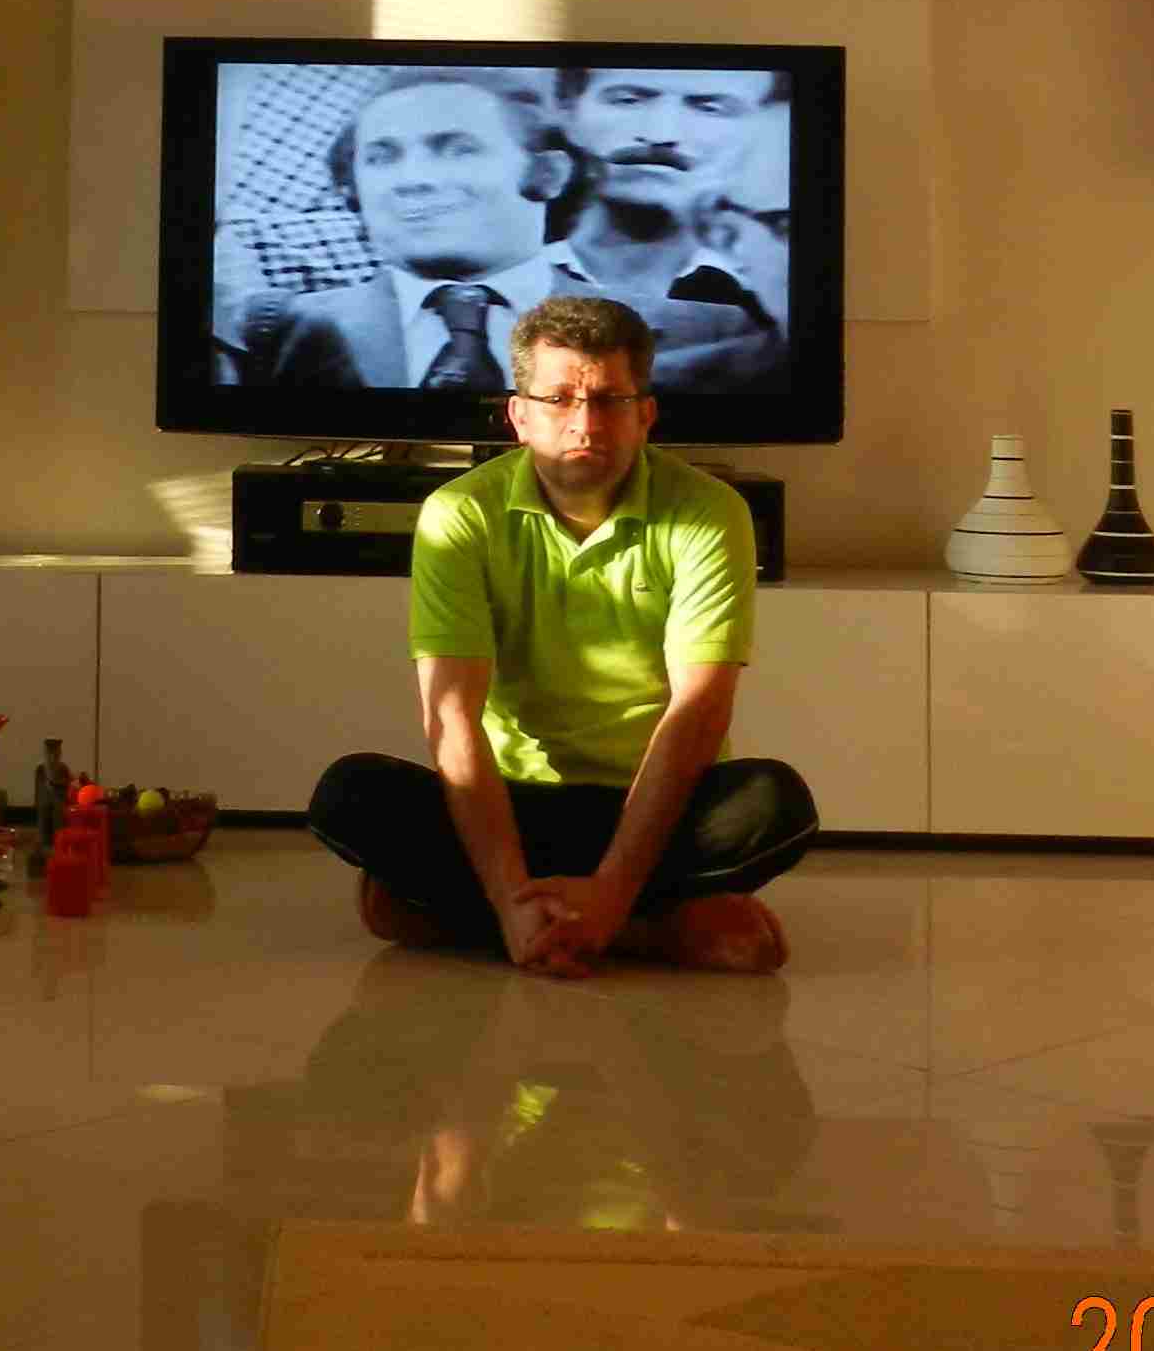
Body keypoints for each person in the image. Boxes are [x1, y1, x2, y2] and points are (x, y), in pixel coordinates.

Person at [303, 293, 816, 974]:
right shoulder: (459, 514)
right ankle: (647, 928)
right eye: (558, 399)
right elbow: (451, 717)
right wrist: (509, 895)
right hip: (515, 806)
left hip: (655, 803)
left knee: (774, 802)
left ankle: (505, 916)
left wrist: (612, 890)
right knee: (350, 793)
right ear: (518, 416)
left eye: (608, 400)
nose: (584, 423)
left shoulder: (709, 512)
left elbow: (698, 713)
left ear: (646, 414)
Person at [215, 66, 575, 390]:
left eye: (460, 150)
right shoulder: (286, 333)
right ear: (352, 190)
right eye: (381, 158)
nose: (413, 179)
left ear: (548, 174)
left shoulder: (609, 317)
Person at [549, 64, 790, 391]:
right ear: (567, 111)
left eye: (709, 108)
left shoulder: (777, 303)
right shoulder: (495, 288)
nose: (661, 133)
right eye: (628, 100)